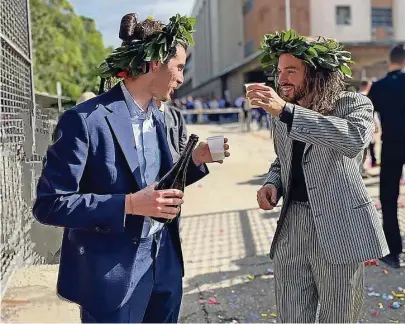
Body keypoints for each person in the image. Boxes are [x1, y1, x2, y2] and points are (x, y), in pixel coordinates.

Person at [32, 13, 230, 323]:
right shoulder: (85, 121)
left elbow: (163, 188)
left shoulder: (170, 119)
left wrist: (196, 159)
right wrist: (129, 204)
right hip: (111, 277)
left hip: (165, 265)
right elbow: (50, 205)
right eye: (178, 67)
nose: (181, 77)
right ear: (154, 64)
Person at [248, 30, 389, 323]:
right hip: (293, 225)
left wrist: (286, 112)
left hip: (339, 227)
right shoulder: (284, 112)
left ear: (315, 74)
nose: (282, 78)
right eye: (279, 70)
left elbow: (352, 138)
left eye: (291, 70)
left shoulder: (353, 103)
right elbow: (282, 159)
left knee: (338, 316)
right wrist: (272, 183)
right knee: (291, 315)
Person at [368, 44, 405, 269]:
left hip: (391, 144)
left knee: (389, 198)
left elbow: (369, 117)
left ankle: (393, 252)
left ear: (389, 61)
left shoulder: (379, 87)